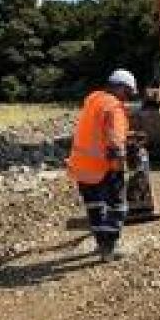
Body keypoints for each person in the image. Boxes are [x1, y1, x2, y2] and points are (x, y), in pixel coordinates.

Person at [67, 69, 137, 260]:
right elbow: (115, 144)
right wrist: (121, 167)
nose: (127, 98)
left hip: (81, 166)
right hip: (101, 168)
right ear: (121, 88)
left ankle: (101, 245)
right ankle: (109, 248)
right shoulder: (114, 108)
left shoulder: (93, 100)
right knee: (117, 207)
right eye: (128, 92)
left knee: (95, 207)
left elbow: (97, 131)